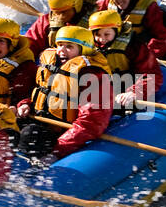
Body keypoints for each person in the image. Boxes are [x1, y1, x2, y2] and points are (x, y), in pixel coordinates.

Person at [17, 25, 112, 158]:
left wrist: (58, 151)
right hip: (41, 121)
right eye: (59, 45)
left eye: (69, 46)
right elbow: (39, 91)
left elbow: (91, 122)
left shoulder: (93, 75)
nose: (61, 50)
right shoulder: (52, 64)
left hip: (64, 131)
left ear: (83, 50)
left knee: (30, 135)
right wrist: (26, 104)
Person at [88, 8, 161, 110]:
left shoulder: (133, 46)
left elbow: (151, 74)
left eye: (106, 34)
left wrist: (135, 93)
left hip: (133, 87)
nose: (101, 39)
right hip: (112, 92)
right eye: (97, 35)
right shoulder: (89, 49)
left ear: (117, 30)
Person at [97, 0, 166, 59]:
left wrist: (147, 55)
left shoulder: (148, 5)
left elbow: (162, 37)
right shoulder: (108, 1)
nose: (118, 1)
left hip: (139, 47)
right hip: (116, 48)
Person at [24, 0, 99, 56]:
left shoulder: (95, 20)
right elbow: (29, 45)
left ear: (76, 6)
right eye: (56, 12)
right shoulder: (45, 21)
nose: (59, 16)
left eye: (63, 12)